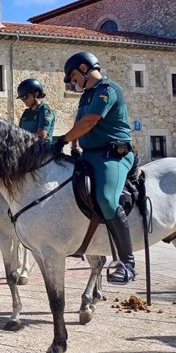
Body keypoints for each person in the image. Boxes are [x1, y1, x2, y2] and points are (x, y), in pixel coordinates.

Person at [54, 51, 136, 285]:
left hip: (113, 155)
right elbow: (80, 123)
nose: (73, 82)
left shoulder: (107, 90)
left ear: (84, 68)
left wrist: (63, 140)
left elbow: (91, 121)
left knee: (107, 198)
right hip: (89, 155)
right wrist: (75, 146)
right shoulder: (87, 96)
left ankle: (127, 263)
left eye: (73, 76)